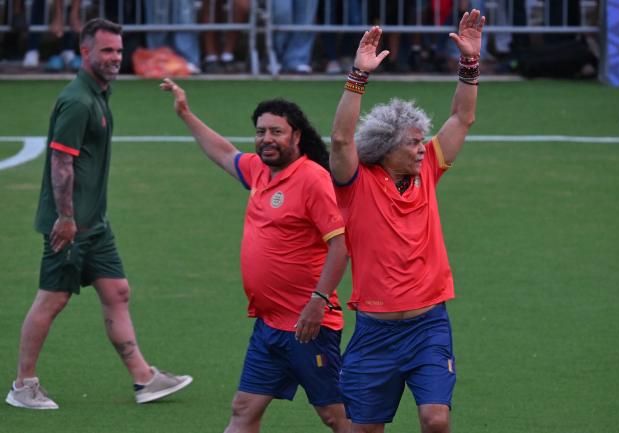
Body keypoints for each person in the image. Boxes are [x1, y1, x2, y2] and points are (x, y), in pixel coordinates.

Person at [5, 18, 193, 411]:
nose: (115, 58)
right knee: (52, 299)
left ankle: (145, 378)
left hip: (94, 224)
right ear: (85, 51)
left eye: (119, 51)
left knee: (117, 292)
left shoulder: (99, 93)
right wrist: (67, 218)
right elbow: (61, 162)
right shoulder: (78, 100)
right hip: (71, 225)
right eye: (107, 50)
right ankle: (23, 385)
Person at [161, 79, 350, 433]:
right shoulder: (259, 171)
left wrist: (318, 301)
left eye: (276, 131)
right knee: (243, 410)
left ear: (296, 136)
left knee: (335, 416)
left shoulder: (313, 179)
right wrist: (186, 114)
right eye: (261, 131)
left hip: (310, 326)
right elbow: (222, 152)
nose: (266, 139)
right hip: (268, 326)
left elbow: (341, 245)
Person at [329, 9, 485, 433]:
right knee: (364, 429)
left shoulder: (430, 169)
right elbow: (342, 139)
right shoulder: (356, 183)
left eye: (422, 142)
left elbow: (461, 118)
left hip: (428, 326)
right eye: (413, 143)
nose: (422, 148)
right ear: (385, 146)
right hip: (374, 333)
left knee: (436, 420)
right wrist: (357, 77)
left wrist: (469, 63)